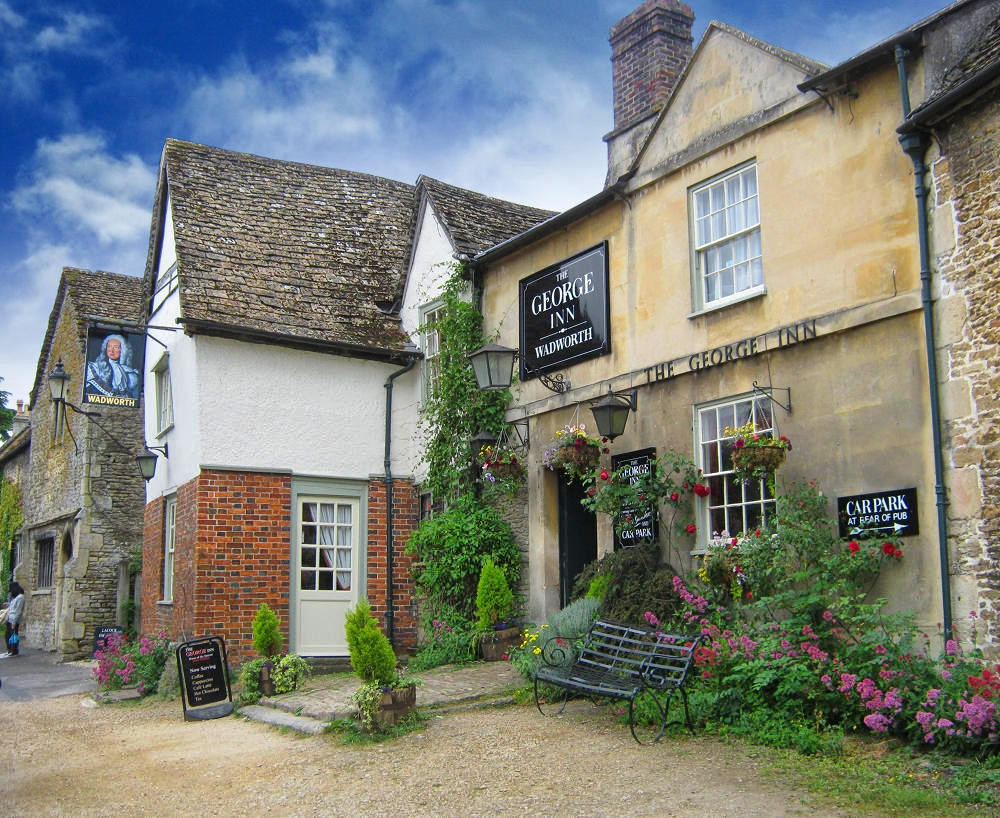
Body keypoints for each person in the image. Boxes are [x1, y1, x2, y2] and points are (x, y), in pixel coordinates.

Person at [85, 334, 140, 399]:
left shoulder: (128, 372)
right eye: (109, 346)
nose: (112, 350)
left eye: (116, 347)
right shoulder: (95, 367)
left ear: (122, 350)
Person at [1, 581, 24, 658]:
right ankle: (10, 649)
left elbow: (18, 610)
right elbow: (12, 606)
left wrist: (14, 622)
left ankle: (14, 650)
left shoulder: (20, 597)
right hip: (10, 619)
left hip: (14, 620)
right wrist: (7, 604)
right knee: (8, 635)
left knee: (13, 635)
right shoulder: (16, 597)